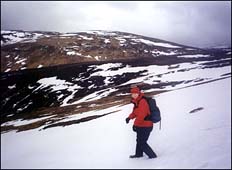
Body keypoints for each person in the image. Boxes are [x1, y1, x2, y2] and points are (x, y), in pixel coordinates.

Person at [125, 86, 157, 159]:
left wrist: (135, 125)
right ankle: (138, 154)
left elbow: (142, 115)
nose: (134, 95)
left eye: (135, 93)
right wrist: (129, 118)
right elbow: (135, 112)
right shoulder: (137, 102)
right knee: (139, 140)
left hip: (146, 125)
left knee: (142, 142)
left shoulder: (142, 101)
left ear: (139, 93)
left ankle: (152, 156)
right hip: (141, 125)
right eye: (132, 93)